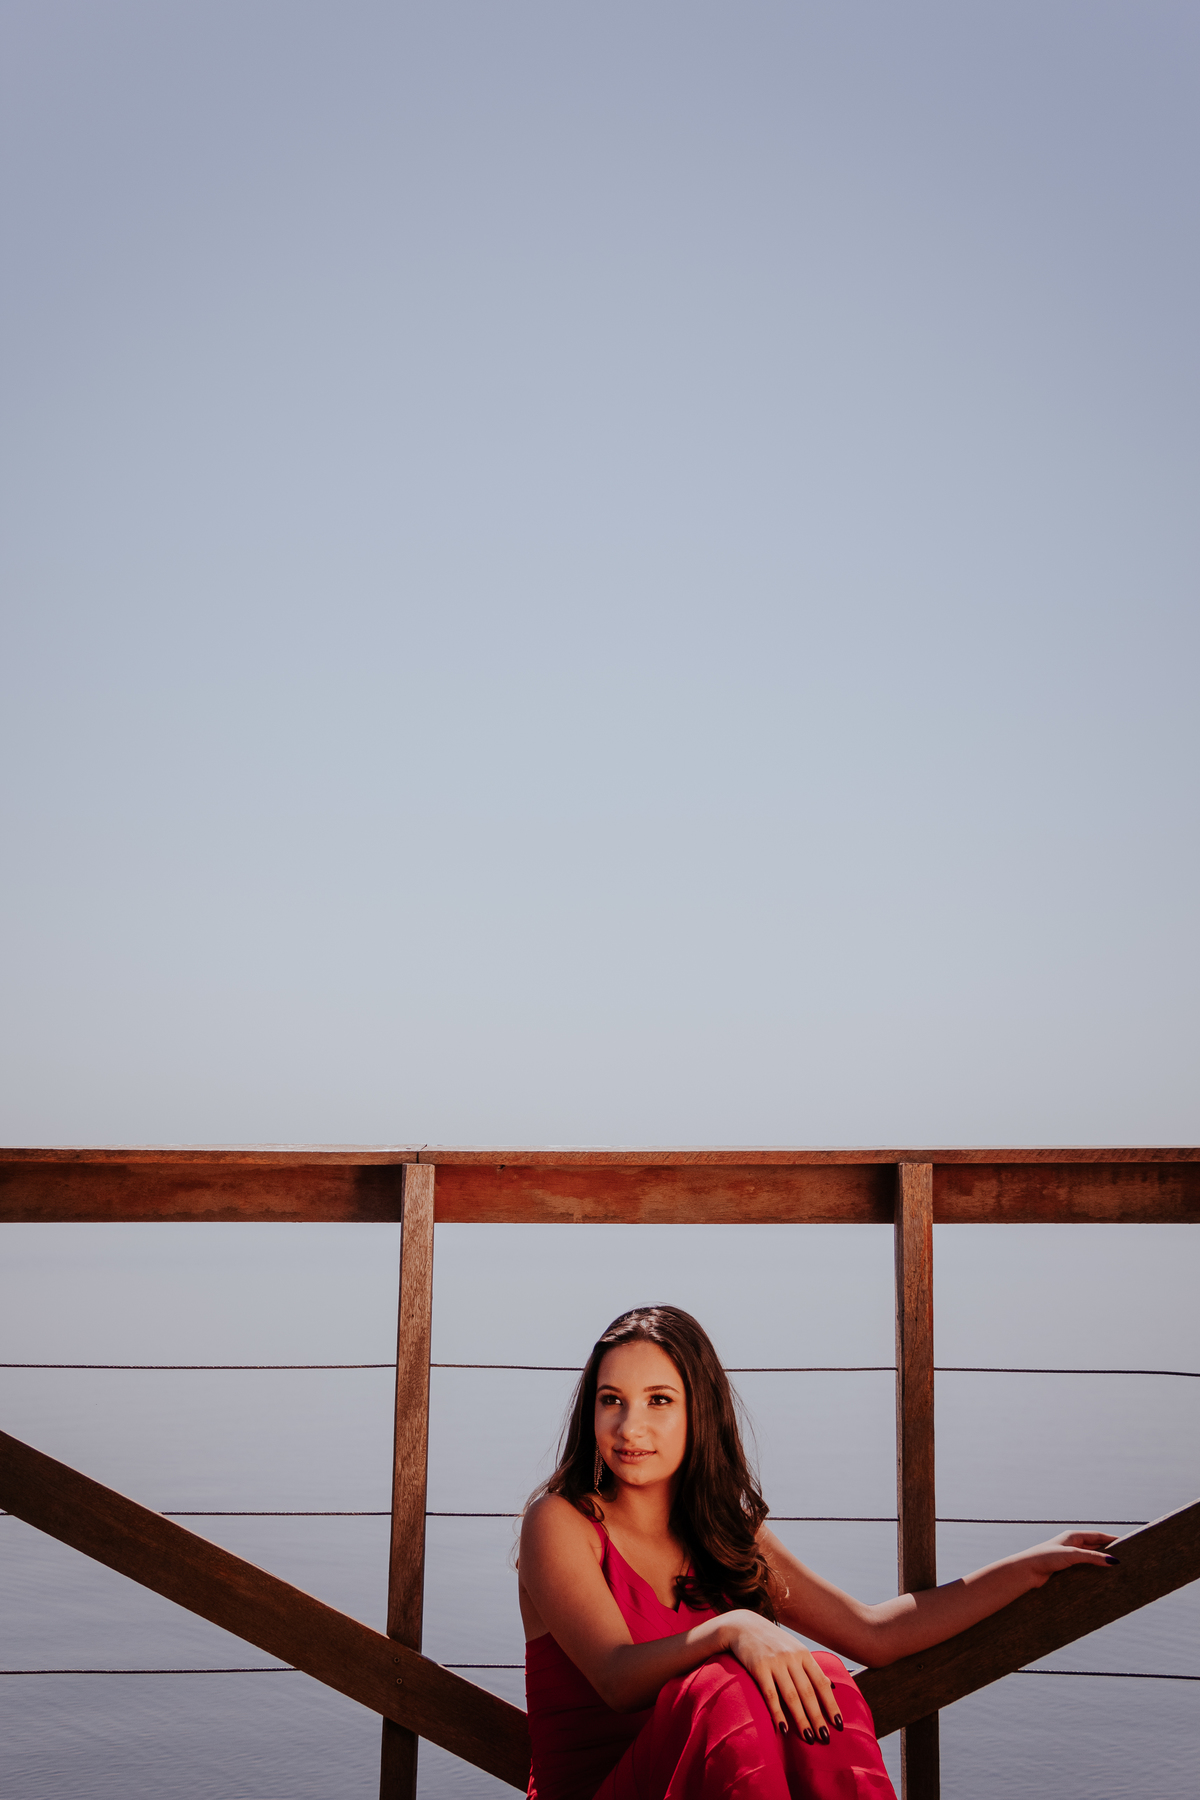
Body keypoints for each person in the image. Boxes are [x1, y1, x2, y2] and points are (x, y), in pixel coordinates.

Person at [518, 1305, 1118, 1800]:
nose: (628, 1428)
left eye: (658, 1400)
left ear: (700, 1410)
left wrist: (1028, 1567)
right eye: (610, 1399)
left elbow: (874, 1634)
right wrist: (735, 1629)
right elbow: (618, 1678)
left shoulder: (725, 1531)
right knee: (724, 1685)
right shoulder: (559, 1522)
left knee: (822, 1676)